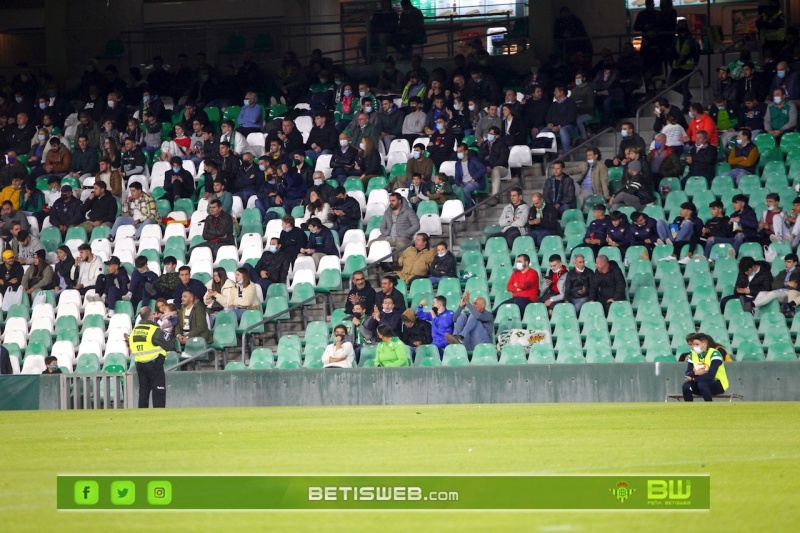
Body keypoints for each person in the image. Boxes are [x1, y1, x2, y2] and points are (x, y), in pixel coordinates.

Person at [129, 306, 174, 408]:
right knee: (159, 390)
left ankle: (142, 416)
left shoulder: (134, 331)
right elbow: (170, 344)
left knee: (143, 391)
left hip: (139, 364)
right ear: (150, 316)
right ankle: (158, 415)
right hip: (154, 364)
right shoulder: (153, 329)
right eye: (153, 314)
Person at [681, 333, 729, 401]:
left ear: (704, 345)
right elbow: (687, 374)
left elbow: (711, 376)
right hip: (700, 383)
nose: (694, 347)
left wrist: (693, 378)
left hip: (718, 383)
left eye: (696, 344)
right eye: (693, 344)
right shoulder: (693, 354)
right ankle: (689, 408)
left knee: (702, 384)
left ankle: (709, 406)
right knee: (686, 386)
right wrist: (697, 373)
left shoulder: (715, 354)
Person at [542, 86, 579, 153]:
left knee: (563, 130)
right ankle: (548, 154)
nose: (554, 93)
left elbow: (571, 118)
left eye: (556, 91)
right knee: (543, 132)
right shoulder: (554, 104)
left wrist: (559, 126)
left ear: (562, 92)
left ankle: (566, 153)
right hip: (554, 127)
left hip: (569, 126)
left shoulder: (570, 102)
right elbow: (548, 116)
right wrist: (549, 124)